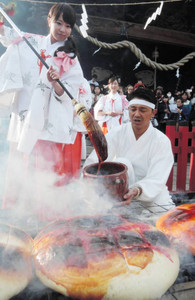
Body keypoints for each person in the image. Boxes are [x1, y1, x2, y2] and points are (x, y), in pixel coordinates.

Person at [0, 3, 92, 219]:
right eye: (59, 22)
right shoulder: (28, 40)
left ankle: (43, 214)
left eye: (68, 25)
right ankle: (15, 212)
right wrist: (5, 12)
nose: (62, 29)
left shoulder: (69, 56)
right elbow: (4, 33)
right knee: (19, 164)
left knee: (43, 168)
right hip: (23, 115)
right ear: (49, 20)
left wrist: (57, 83)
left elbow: (71, 91)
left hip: (45, 120)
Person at [84, 88, 174, 206]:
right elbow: (96, 160)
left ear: (153, 112)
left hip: (150, 194)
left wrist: (137, 190)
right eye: (133, 109)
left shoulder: (161, 141)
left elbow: (157, 178)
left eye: (142, 110)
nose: (137, 114)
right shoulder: (117, 133)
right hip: (119, 192)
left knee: (166, 219)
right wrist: (88, 181)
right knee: (122, 163)